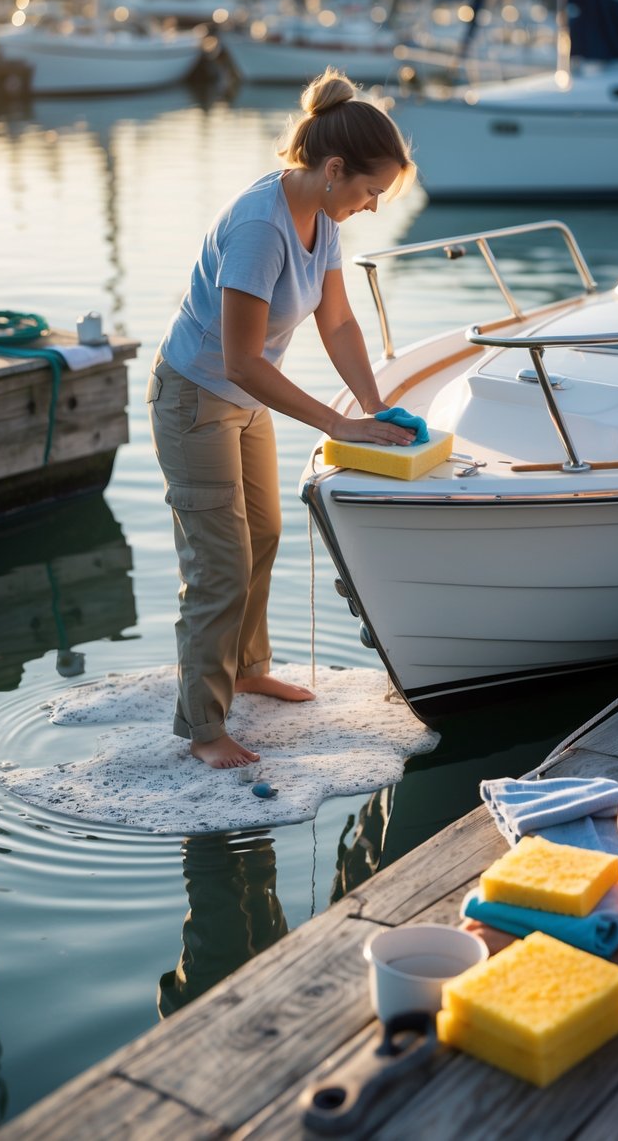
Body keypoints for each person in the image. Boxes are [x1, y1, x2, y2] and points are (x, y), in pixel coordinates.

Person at [147, 67, 416, 770]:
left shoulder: (321, 218)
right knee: (219, 567)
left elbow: (339, 324)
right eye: (369, 191)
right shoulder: (260, 229)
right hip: (195, 399)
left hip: (242, 399)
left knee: (262, 533)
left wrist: (371, 404)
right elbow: (240, 359)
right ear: (333, 169)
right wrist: (338, 424)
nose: (372, 206)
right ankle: (203, 727)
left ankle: (246, 667)